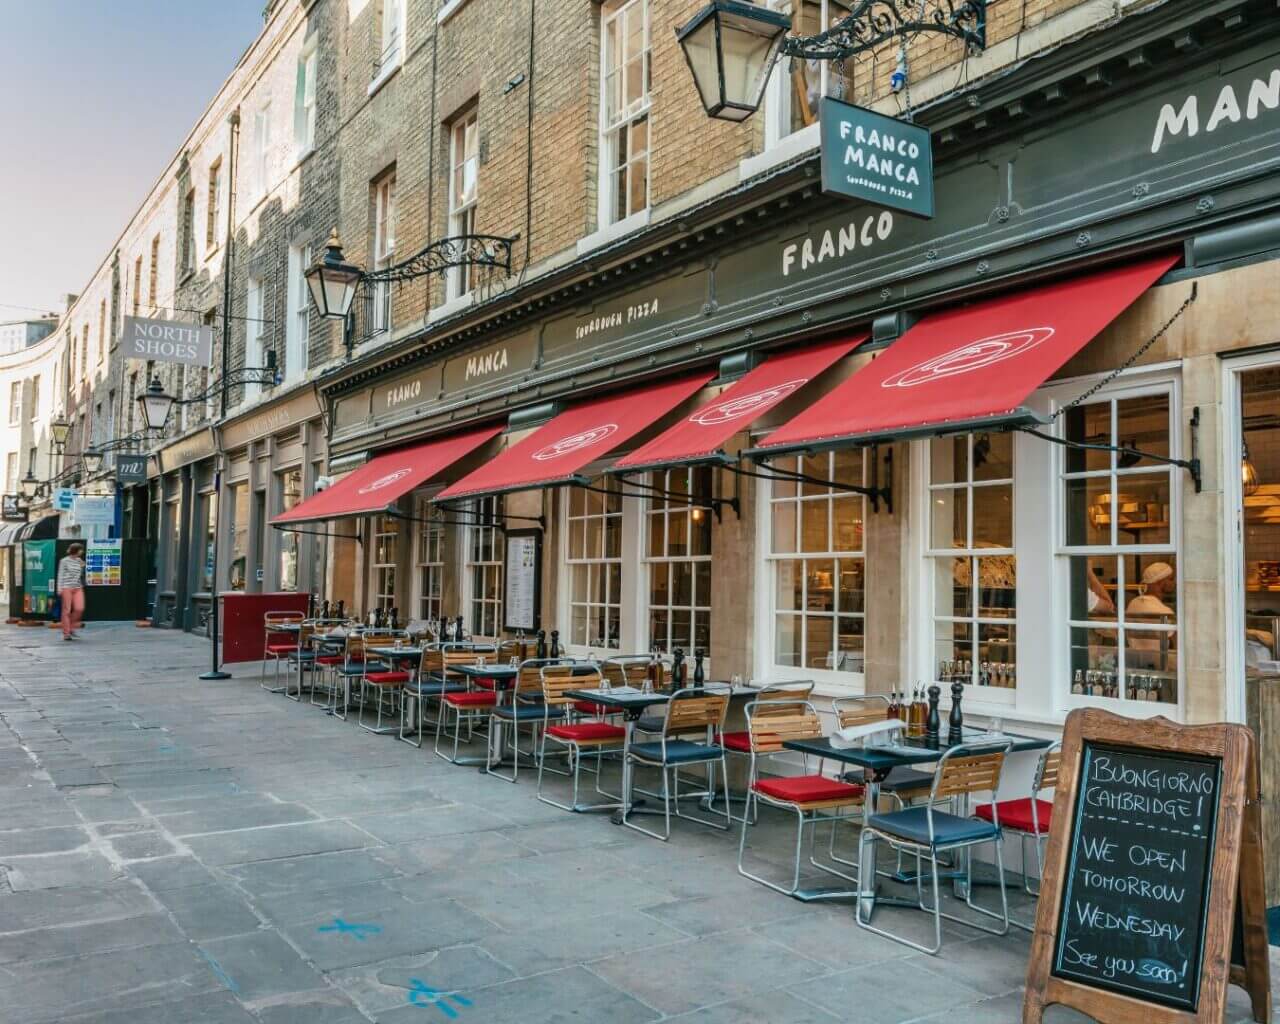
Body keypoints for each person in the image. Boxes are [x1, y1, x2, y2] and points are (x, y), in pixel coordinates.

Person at [57, 543, 86, 641]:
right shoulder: (64, 561)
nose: (82, 551)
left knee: (79, 608)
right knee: (67, 610)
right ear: (76, 550)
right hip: (66, 587)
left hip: (78, 587)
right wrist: (59, 588)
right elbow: (60, 574)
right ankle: (66, 633)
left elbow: (81, 575)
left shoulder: (79, 561)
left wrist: (82, 567)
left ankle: (71, 627)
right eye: (80, 550)